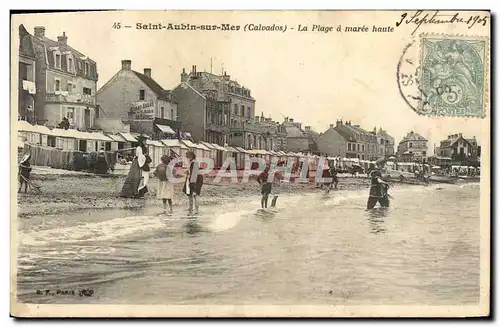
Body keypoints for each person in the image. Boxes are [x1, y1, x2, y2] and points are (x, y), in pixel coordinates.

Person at [182, 151, 203, 215]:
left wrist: (192, 182)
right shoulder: (194, 162)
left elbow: (193, 173)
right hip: (196, 179)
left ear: (190, 156)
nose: (187, 158)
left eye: (187, 157)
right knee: (194, 194)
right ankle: (193, 209)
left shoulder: (193, 162)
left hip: (194, 180)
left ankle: (194, 209)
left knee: (193, 194)